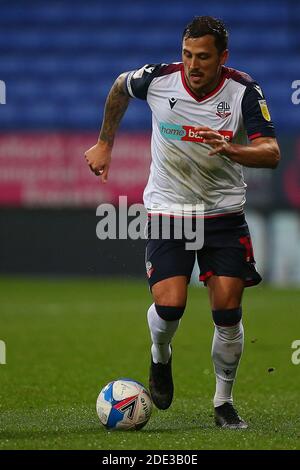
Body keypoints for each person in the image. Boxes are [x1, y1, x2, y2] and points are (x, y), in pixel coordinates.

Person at [85, 16, 280, 429]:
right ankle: (160, 356)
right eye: (188, 54)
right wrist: (105, 143)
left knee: (227, 311)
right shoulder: (158, 79)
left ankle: (223, 403)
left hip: (224, 215)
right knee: (170, 306)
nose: (193, 64)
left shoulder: (244, 90)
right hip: (169, 211)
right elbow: (120, 86)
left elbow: (271, 152)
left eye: (203, 57)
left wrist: (231, 150)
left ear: (222, 57)